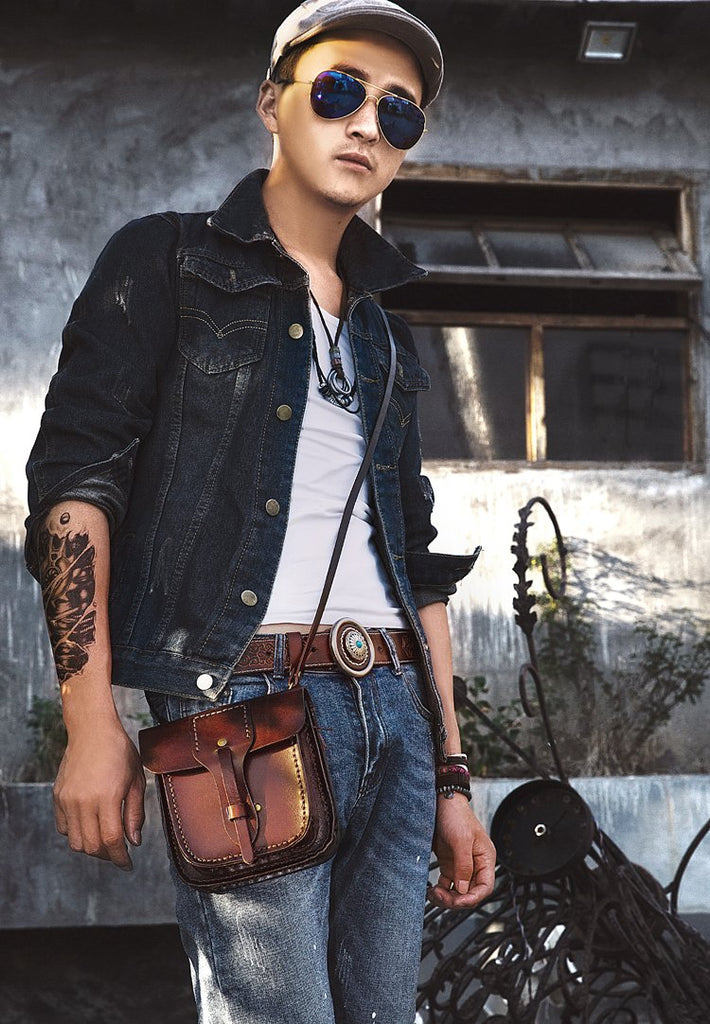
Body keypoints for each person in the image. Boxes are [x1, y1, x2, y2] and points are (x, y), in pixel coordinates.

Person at [25, 1, 496, 1020]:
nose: (366, 123)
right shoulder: (165, 261)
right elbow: (75, 487)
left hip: (396, 711)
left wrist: (452, 776)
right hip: (241, 702)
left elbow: (414, 562)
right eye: (339, 90)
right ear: (270, 103)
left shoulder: (382, 335)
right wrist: (91, 718)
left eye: (398, 111)